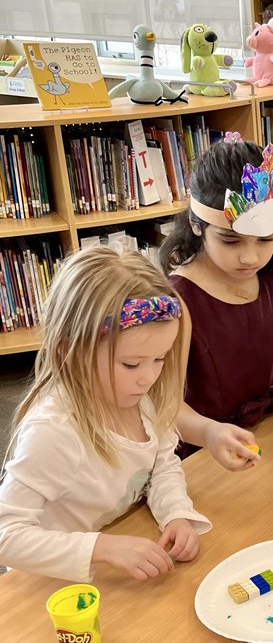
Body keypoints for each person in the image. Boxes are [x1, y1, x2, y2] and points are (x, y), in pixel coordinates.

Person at [0, 247, 210, 582]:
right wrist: (103, 548)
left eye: (160, 359)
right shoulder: (53, 431)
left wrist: (176, 513)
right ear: (70, 350)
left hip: (111, 564)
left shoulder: (140, 398)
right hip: (48, 584)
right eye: (131, 364)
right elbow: (6, 536)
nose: (149, 377)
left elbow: (161, 465)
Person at [160, 137, 273, 471]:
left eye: (265, 240)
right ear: (197, 225)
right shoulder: (180, 299)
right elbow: (166, 405)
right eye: (231, 241)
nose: (250, 257)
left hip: (268, 426)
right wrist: (210, 432)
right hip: (208, 449)